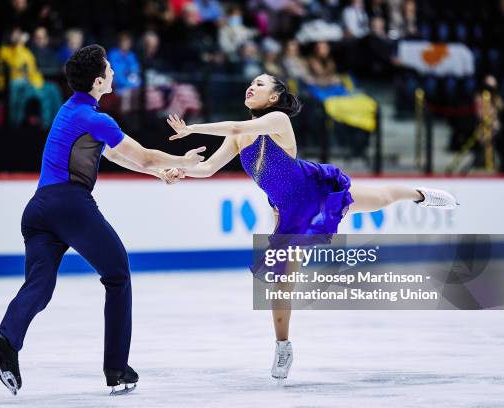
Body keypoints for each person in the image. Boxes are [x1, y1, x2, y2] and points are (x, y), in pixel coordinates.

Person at [163, 73, 459, 380]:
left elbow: (238, 126)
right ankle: (283, 347)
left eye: (261, 84)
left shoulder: (277, 120)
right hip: (287, 211)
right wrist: (182, 170)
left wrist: (192, 129)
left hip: (315, 189)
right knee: (280, 285)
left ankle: (420, 195)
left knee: (381, 197)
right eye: (251, 82)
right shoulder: (238, 137)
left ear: (274, 97)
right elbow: (209, 168)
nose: (252, 85)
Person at [0, 44, 207, 396]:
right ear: (100, 80)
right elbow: (145, 156)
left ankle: (5, 340)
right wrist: (185, 161)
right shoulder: (96, 118)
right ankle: (117, 368)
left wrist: (161, 171)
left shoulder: (71, 111)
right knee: (117, 273)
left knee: (40, 287)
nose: (115, 73)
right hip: (69, 203)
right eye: (110, 69)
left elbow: (118, 155)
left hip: (39, 209)